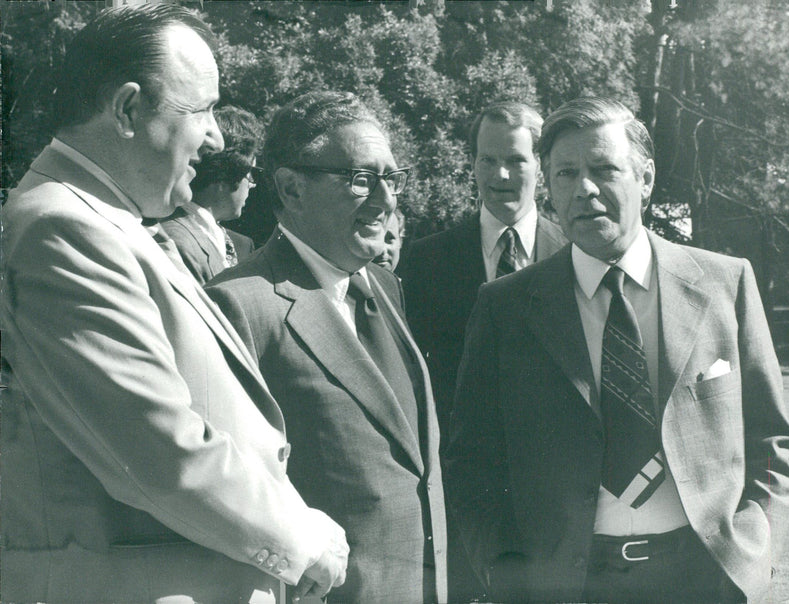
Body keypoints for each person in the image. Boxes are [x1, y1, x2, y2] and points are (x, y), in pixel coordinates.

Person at [0, 6, 347, 602]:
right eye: (202, 110)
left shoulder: (102, 222)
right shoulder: (64, 229)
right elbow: (158, 449)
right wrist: (301, 539)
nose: (215, 137)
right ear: (129, 109)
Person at [444, 96, 789, 603]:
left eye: (604, 169)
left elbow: (772, 440)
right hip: (569, 585)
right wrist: (506, 574)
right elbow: (473, 461)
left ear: (646, 179)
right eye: (565, 173)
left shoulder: (725, 282)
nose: (584, 189)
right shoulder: (507, 307)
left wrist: (755, 554)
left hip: (706, 578)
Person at [206, 90, 447, 604]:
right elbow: (228, 482)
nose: (385, 199)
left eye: (392, 178)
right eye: (361, 179)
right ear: (292, 189)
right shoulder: (238, 304)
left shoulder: (384, 286)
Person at [399, 100, 567, 602]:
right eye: (485, 159)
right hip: (462, 502)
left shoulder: (578, 257)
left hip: (558, 502)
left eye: (516, 159)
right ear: (471, 163)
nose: (500, 173)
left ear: (541, 164)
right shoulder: (424, 263)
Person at [161, 105, 262, 284]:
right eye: (250, 174)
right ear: (229, 172)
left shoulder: (233, 242)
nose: (252, 185)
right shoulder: (176, 242)